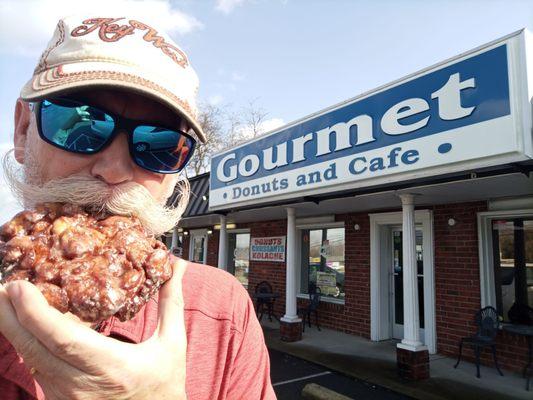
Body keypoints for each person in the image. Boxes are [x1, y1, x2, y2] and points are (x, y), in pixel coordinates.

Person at [0, 15, 276, 399]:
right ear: (23, 130)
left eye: (159, 146)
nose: (113, 171)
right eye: (80, 125)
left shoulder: (222, 313)